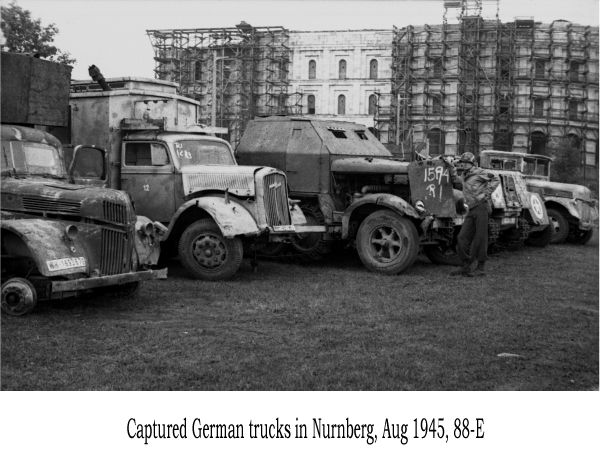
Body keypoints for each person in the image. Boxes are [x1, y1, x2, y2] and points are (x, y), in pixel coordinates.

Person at [444, 152, 500, 277]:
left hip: (482, 208)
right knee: (462, 238)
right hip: (472, 209)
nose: (463, 164)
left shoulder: (480, 172)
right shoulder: (464, 175)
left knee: (481, 238)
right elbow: (456, 181)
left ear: (472, 163)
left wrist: (485, 194)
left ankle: (481, 268)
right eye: (462, 162)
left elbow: (496, 179)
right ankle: (465, 266)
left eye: (466, 162)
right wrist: (451, 166)